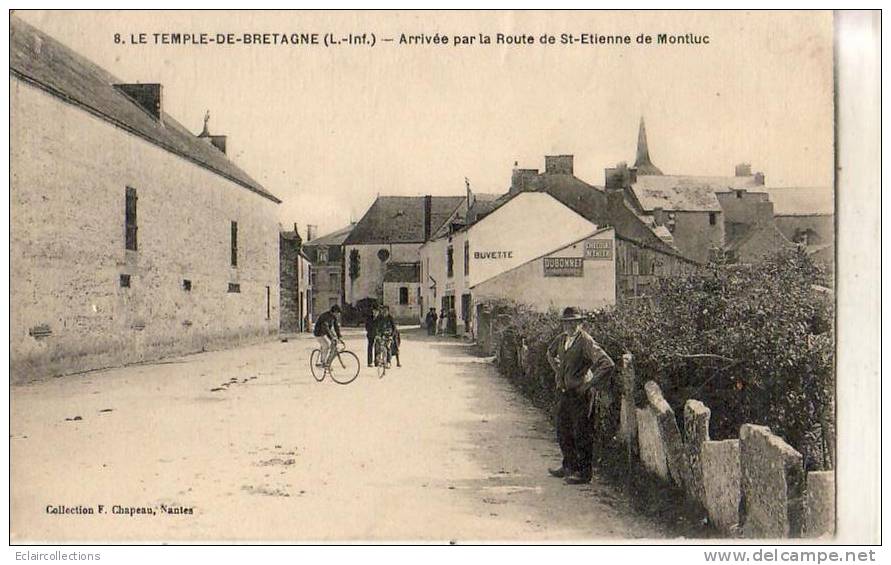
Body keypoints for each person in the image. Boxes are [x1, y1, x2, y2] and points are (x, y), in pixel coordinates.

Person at [545, 306, 615, 485]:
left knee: (582, 432)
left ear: (580, 323)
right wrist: (558, 372)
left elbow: (607, 363)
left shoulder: (585, 341)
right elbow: (549, 353)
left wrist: (589, 384)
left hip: (580, 394)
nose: (569, 326)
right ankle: (569, 466)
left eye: (573, 322)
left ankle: (584, 473)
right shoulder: (562, 339)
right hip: (564, 392)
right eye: (566, 322)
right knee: (563, 430)